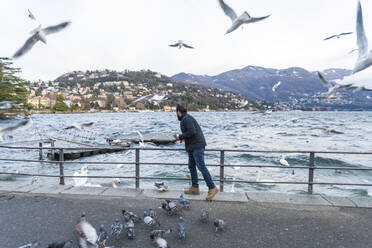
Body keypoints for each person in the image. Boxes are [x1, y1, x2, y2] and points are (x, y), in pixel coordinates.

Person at [173, 104, 218, 201]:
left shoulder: (186, 119)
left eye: (176, 113)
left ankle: (212, 187)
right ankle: (195, 187)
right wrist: (182, 137)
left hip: (197, 146)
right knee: (191, 166)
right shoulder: (187, 118)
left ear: (178, 112)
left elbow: (192, 131)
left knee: (201, 166)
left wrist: (180, 136)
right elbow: (191, 133)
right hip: (192, 146)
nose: (176, 115)